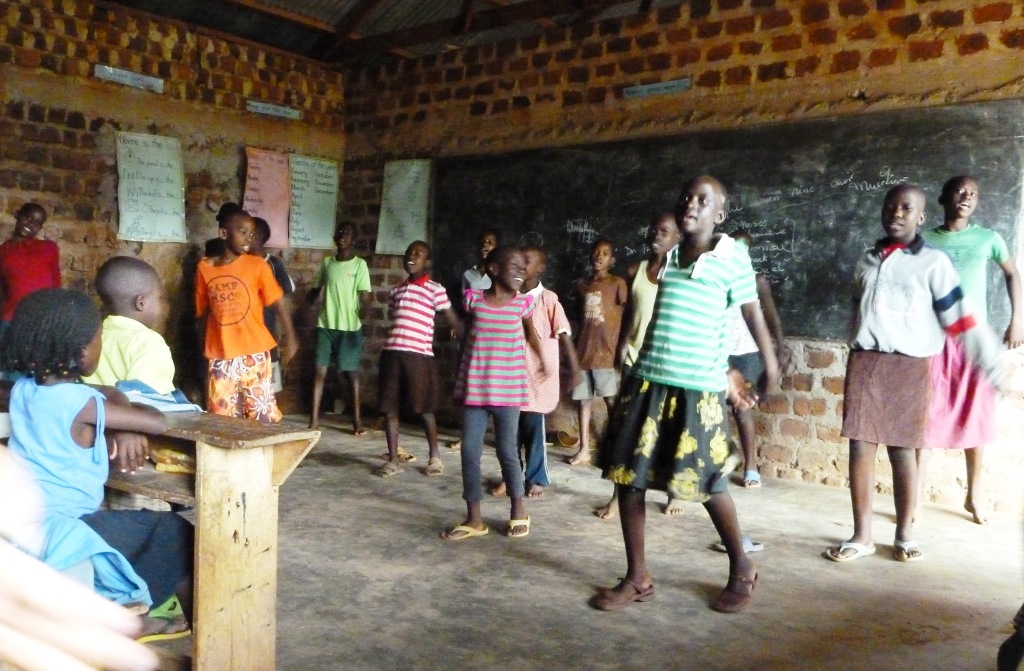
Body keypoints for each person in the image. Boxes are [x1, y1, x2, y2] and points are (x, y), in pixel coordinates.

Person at [595, 176, 779, 614]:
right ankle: (637, 577)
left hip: (698, 390)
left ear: (720, 214)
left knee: (709, 482)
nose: (691, 204)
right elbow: (665, 319)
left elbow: (751, 312)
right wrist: (633, 371)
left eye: (703, 200)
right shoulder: (672, 256)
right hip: (649, 382)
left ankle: (742, 566)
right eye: (685, 198)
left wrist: (769, 365)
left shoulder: (732, 257)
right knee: (629, 479)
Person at [1, 288, 194, 642]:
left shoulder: (25, 390)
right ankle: (132, 620)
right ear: (81, 351)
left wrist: (117, 406)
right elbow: (157, 421)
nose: (99, 346)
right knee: (177, 533)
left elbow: (105, 391)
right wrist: (128, 418)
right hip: (68, 527)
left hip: (25, 522)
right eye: (98, 338)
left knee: (139, 528)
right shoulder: (81, 402)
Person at [825, 184, 1001, 564]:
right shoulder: (867, 259)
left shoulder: (934, 263)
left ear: (921, 217)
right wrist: (855, 341)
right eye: (890, 206)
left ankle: (904, 534)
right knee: (859, 447)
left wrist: (990, 362)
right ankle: (862, 536)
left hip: (911, 365)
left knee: (903, 450)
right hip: (866, 361)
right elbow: (857, 309)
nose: (897, 213)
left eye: (906, 208)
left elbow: (959, 319)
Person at [917, 175, 1023, 525]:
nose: (966, 197)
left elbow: (1013, 274)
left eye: (973, 194)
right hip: (933, 339)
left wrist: (1018, 320)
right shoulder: (924, 240)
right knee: (925, 416)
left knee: (978, 415)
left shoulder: (988, 238)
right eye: (960, 191)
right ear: (943, 197)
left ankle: (974, 496)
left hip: (975, 340)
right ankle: (914, 499)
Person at [441, 246, 543, 540]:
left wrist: (544, 362)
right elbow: (466, 336)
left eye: (524, 267)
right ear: (493, 269)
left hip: (508, 392)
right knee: (469, 452)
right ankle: (474, 518)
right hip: (476, 390)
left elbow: (531, 334)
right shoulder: (474, 300)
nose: (521, 272)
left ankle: (518, 509)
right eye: (514, 266)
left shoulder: (522, 304)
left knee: (507, 451)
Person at [595, 213, 682, 519]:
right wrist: (620, 348)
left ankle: (674, 492)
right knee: (627, 434)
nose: (657, 235)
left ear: (678, 238)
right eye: (654, 230)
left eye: (665, 232)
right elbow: (629, 315)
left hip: (668, 363)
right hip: (636, 360)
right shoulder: (636, 271)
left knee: (671, 431)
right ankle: (617, 497)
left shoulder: (682, 274)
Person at [490, 245, 582, 498]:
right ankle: (510, 477)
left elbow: (564, 333)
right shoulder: (509, 297)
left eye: (527, 261)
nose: (521, 266)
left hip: (538, 379)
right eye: (517, 261)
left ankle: (536, 477)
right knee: (508, 435)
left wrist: (574, 368)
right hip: (512, 377)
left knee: (534, 432)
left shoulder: (548, 299)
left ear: (540, 268)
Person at [195, 209, 298, 423]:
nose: (248, 239)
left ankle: (261, 446)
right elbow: (203, 312)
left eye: (251, 234)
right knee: (221, 414)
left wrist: (291, 338)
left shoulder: (257, 266)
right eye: (242, 233)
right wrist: (203, 347)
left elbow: (278, 301)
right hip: (220, 353)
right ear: (223, 234)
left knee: (261, 412)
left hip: (254, 351)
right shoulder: (204, 269)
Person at [375, 241, 462, 478]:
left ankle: (435, 456)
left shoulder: (435, 290)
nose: (411, 257)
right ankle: (393, 459)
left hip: (418, 356)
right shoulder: (397, 290)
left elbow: (453, 320)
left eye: (418, 254)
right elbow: (398, 319)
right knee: (389, 408)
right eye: (408, 253)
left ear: (428, 262)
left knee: (424, 408)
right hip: (392, 354)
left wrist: (464, 334)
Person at [727, 229, 788, 488]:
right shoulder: (717, 275)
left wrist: (780, 346)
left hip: (746, 351)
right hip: (720, 350)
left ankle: (751, 466)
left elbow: (769, 315)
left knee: (742, 409)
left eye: (744, 247)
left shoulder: (756, 280)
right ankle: (718, 460)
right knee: (712, 408)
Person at [568, 238, 628, 466]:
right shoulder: (581, 285)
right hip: (583, 353)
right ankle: (584, 449)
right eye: (596, 252)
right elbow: (578, 319)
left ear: (612, 260)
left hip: (606, 353)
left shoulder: (617, 284)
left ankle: (617, 449)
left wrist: (620, 350)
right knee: (583, 401)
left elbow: (627, 317)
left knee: (611, 401)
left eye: (604, 253)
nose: (599, 256)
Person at [309, 222, 371, 432]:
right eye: (340, 232)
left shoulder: (359, 265)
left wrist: (364, 318)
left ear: (354, 240)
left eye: (348, 233)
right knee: (319, 371)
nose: (343, 235)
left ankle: (357, 420)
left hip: (349, 328)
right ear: (334, 237)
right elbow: (316, 289)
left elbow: (366, 297)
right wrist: (306, 304)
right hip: (325, 325)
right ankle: (314, 420)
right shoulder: (327, 263)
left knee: (350, 374)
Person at [81, 256, 174, 394]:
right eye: (159, 298)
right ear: (141, 303)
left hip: (93, 407)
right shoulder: (148, 343)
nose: (162, 305)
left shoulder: (91, 337)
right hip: (128, 408)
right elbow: (150, 400)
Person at [251, 216, 296, 394]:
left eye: (248, 233)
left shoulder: (273, 263)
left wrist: (288, 335)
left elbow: (285, 295)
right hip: (247, 332)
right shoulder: (240, 263)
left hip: (268, 328)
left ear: (258, 236)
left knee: (269, 385)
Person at [0, 202, 60, 327]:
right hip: (12, 319)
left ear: (40, 227)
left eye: (37, 223)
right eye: (28, 217)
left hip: (42, 320)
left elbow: (56, 285)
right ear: (17, 214)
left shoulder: (49, 248)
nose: (31, 224)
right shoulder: (3, 251)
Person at [460, 229, 500, 293]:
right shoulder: (468, 274)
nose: (485, 244)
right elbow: (465, 297)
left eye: (490, 242)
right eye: (482, 242)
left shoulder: (501, 273)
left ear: (497, 248)